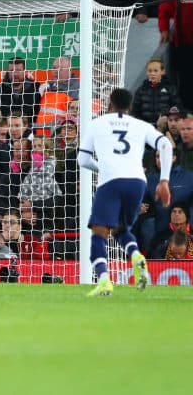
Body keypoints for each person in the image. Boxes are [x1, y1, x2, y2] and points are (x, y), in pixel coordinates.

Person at [79, 88, 173, 297]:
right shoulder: (141, 125)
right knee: (121, 229)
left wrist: (102, 167)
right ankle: (137, 256)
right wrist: (164, 179)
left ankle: (103, 280)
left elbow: (83, 160)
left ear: (109, 105)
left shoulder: (96, 123)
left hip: (111, 181)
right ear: (130, 107)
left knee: (99, 231)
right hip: (137, 181)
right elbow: (166, 144)